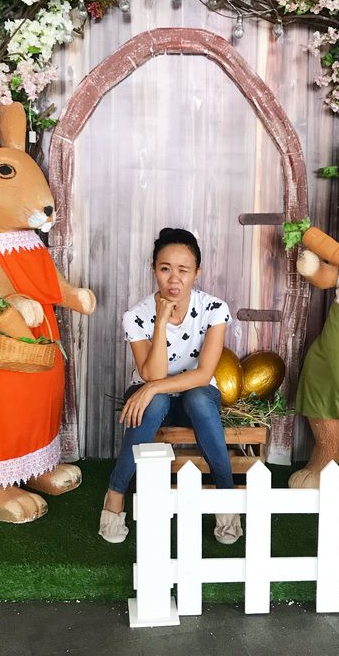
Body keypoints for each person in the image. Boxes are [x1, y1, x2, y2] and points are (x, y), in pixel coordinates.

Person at [98, 227, 242, 545]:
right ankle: (115, 494)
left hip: (196, 394)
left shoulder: (214, 309)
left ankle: (226, 498)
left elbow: (204, 374)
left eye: (183, 270)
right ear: (154, 271)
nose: (173, 280)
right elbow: (151, 374)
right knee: (157, 402)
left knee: (198, 400)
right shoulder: (136, 316)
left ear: (196, 273)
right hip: (152, 399)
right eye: (165, 269)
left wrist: (151, 388)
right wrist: (161, 321)